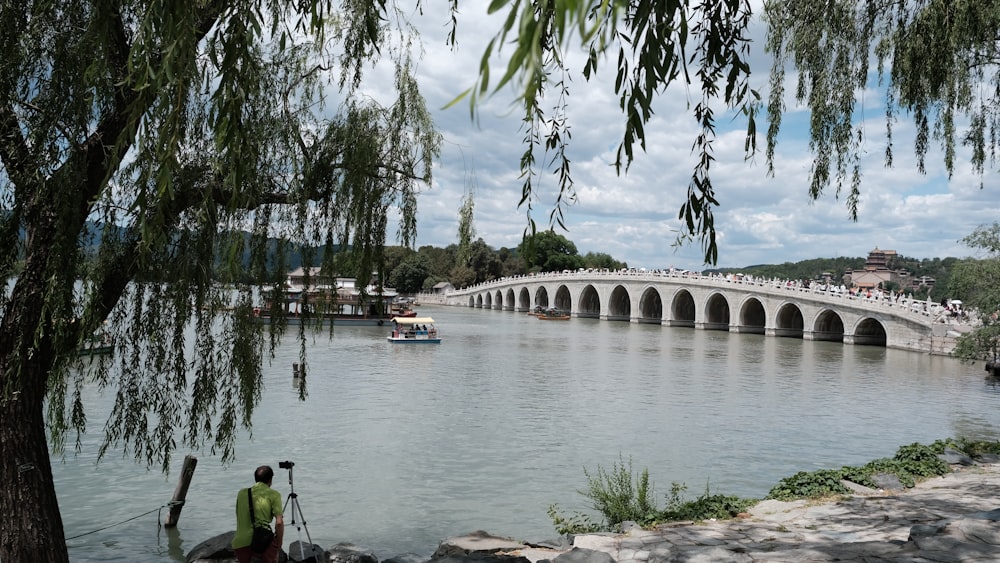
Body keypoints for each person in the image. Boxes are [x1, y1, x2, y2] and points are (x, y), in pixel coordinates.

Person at [232, 465, 284, 563]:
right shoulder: (274, 494)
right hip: (263, 542)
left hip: (240, 543)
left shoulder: (241, 493)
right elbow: (279, 523)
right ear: (270, 480)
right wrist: (279, 544)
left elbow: (239, 516)